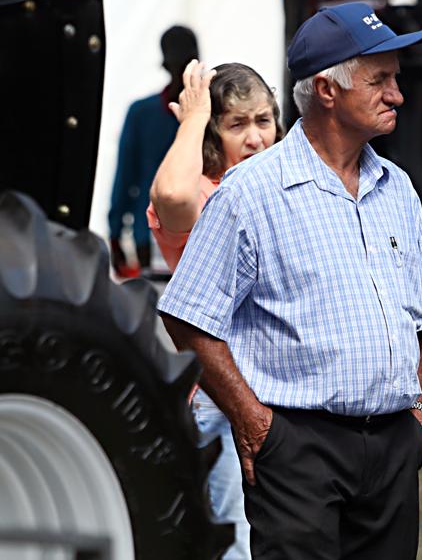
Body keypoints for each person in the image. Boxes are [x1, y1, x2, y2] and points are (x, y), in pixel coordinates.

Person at [157, 2, 422, 560]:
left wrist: (420, 415)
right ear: (327, 91)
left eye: (396, 80)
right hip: (296, 447)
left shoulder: (398, 189)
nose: (396, 95)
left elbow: (419, 317)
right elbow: (186, 316)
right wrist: (255, 426)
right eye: (379, 80)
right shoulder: (250, 192)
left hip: (391, 448)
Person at [147, 60, 282, 559]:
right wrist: (192, 119)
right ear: (212, 135)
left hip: (279, 397)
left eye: (263, 121)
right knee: (236, 546)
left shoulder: (278, 190)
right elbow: (173, 194)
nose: (254, 138)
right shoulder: (206, 192)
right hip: (223, 398)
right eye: (236, 124)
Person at [108, 25, 199, 277]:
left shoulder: (143, 112)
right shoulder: (142, 113)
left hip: (163, 233)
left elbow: (124, 179)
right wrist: (115, 234)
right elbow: (124, 178)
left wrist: (115, 233)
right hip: (156, 233)